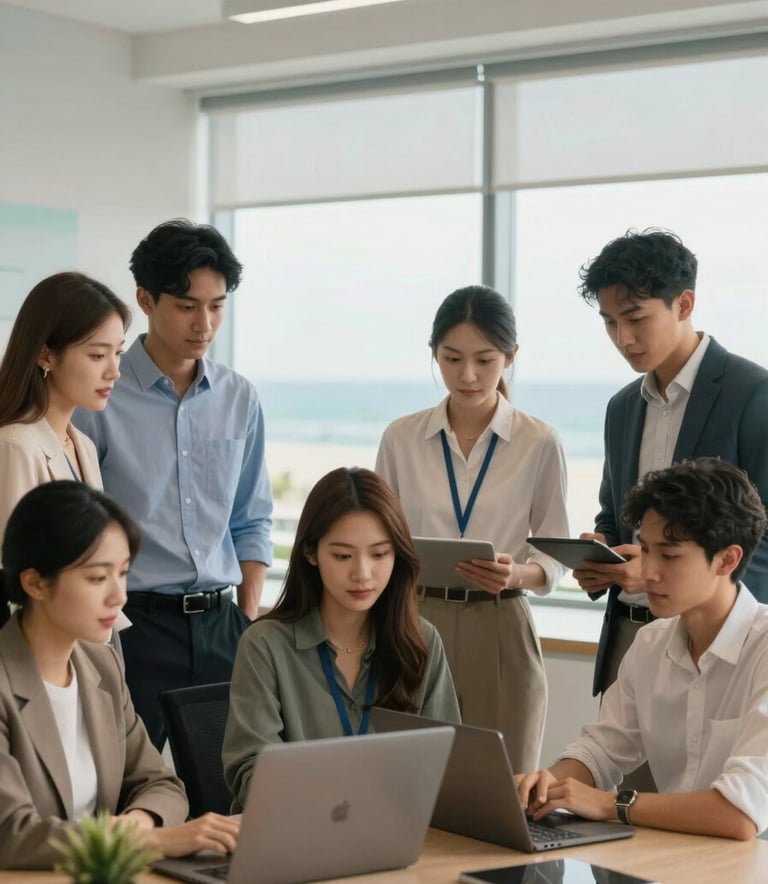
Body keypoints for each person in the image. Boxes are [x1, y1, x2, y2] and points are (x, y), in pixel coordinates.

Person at [74, 219, 273, 749]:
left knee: (234, 783)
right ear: (145, 299)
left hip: (223, 626)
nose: (204, 324)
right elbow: (76, 526)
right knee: (122, 780)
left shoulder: (239, 397)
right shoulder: (100, 397)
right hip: (132, 626)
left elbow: (251, 517)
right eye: (187, 306)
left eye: (217, 305)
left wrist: (247, 617)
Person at [517, 458, 768, 841]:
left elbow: (739, 814)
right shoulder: (651, 643)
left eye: (669, 556)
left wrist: (610, 804)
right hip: (677, 853)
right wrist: (545, 785)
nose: (648, 571)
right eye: (646, 550)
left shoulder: (762, 648)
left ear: (727, 559)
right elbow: (601, 750)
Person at [376, 285, 568, 772]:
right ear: (434, 354)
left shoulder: (538, 441)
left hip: (500, 621)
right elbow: (378, 539)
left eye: (485, 360)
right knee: (411, 781)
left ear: (511, 357)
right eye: (452, 358)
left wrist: (517, 574)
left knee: (503, 782)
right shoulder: (401, 438)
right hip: (415, 619)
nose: (468, 375)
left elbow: (554, 553)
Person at [0, 481, 241, 869]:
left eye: (124, 573)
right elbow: (12, 835)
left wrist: (136, 826)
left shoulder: (101, 665)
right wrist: (144, 841)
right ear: (35, 583)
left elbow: (160, 784)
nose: (119, 596)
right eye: (98, 578)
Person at [572, 230, 768, 704]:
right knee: (607, 753)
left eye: (636, 318)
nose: (623, 338)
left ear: (683, 304)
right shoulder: (622, 407)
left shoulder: (753, 395)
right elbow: (615, 515)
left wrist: (666, 571)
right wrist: (602, 555)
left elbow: (762, 537)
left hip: (719, 645)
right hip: (628, 636)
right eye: (610, 322)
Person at [222, 467, 460, 811]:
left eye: (379, 554)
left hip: (395, 827)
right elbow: (251, 777)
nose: (362, 574)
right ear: (311, 553)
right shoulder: (264, 645)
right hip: (294, 829)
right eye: (343, 556)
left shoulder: (421, 640)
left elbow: (448, 763)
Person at [0, 272, 128, 539]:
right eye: (98, 355)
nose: (114, 372)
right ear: (45, 355)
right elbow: (9, 558)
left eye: (118, 353)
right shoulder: (15, 446)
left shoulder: (84, 446)